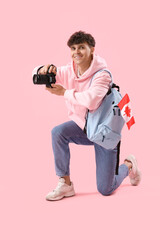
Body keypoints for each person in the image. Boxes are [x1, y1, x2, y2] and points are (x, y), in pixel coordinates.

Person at [32, 31, 141, 201]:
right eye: (74, 48)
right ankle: (66, 184)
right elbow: (36, 75)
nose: (77, 52)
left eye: (82, 47)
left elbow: (91, 101)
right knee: (57, 133)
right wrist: (43, 69)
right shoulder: (70, 70)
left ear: (92, 49)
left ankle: (128, 165)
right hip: (84, 128)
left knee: (105, 189)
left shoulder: (102, 75)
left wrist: (65, 93)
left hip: (104, 132)